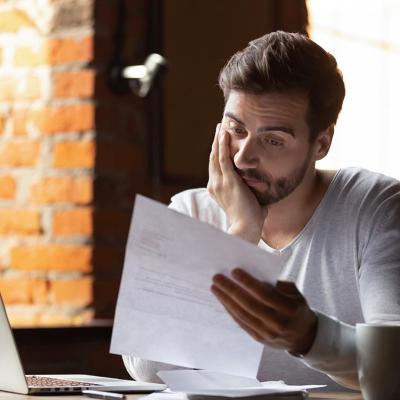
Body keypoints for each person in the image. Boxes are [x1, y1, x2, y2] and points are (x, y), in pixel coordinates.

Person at [122, 31, 400, 391]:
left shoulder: (377, 206)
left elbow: (394, 366)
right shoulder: (189, 210)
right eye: (236, 129)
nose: (241, 157)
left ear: (322, 144)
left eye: (273, 140)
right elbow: (147, 366)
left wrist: (310, 337)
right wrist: (240, 235)